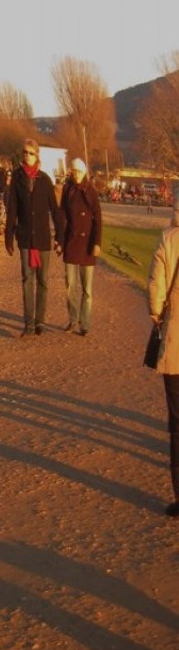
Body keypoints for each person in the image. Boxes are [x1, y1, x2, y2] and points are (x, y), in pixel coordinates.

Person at [4, 139, 64, 337]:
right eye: (24, 152)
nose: (27, 155)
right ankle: (29, 323)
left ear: (37, 155)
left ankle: (40, 321)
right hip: (24, 237)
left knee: (43, 280)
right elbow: (12, 208)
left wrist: (59, 237)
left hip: (42, 238)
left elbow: (54, 210)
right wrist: (8, 236)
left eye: (30, 152)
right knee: (27, 279)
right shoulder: (17, 178)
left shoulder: (44, 179)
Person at [147, 183, 179, 519]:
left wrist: (157, 313)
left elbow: (157, 285)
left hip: (177, 343)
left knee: (178, 421)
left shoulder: (169, 238)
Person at [59, 158, 102, 336]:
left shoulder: (91, 191)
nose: (76, 174)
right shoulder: (67, 189)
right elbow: (62, 216)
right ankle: (73, 319)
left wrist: (97, 243)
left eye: (78, 171)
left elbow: (98, 219)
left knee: (87, 289)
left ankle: (84, 323)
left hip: (87, 245)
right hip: (71, 241)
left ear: (84, 172)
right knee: (70, 285)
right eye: (73, 171)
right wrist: (59, 241)